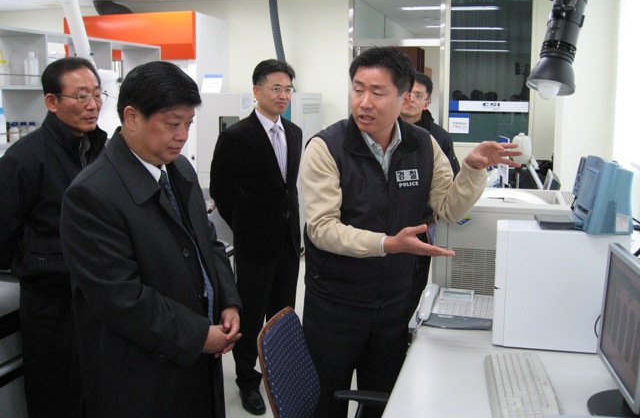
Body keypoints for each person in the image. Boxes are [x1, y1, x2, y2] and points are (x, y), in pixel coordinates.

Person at [300, 46, 521, 418]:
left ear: (404, 98)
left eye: (378, 92)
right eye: (358, 89)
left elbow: (448, 208)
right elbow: (322, 229)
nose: (364, 102)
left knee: (384, 401)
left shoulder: (423, 144)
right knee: (325, 403)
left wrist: (472, 170)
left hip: (395, 303)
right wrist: (388, 244)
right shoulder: (327, 148)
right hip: (336, 304)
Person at [59, 61, 242, 418]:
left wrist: (228, 302)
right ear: (132, 117)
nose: (182, 135)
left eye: (188, 123)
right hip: (141, 373)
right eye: (172, 124)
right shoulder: (92, 195)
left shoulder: (178, 168)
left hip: (194, 355)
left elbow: (208, 244)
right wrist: (198, 336)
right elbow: (121, 299)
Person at [0, 57, 107, 418]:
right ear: (52, 101)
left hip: (97, 296)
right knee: (57, 395)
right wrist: (35, 261)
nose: (92, 105)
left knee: (96, 391)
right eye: (81, 96)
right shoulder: (24, 159)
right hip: (51, 302)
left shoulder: (100, 149)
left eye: (97, 94)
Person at [209, 59, 302, 416]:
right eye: (276, 88)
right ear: (257, 90)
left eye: (288, 89)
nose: (283, 95)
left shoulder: (294, 132)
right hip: (253, 244)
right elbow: (222, 190)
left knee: (283, 313)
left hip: (288, 242)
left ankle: (279, 374)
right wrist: (245, 227)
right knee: (249, 316)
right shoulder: (236, 136)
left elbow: (287, 188)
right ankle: (247, 380)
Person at [400, 71, 460, 322]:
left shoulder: (438, 137)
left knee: (413, 286)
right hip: (385, 228)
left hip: (421, 224)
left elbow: (451, 182)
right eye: (407, 93)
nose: (410, 100)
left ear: (427, 102)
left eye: (418, 95)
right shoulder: (382, 130)